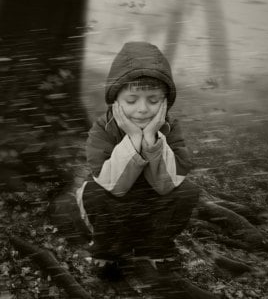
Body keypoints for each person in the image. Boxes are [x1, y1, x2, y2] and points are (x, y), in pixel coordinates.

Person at [75, 41, 200, 277]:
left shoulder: (171, 128)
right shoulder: (103, 128)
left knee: (188, 191)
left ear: (165, 102)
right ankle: (108, 252)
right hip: (115, 203)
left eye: (153, 100)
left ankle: (154, 246)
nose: (142, 109)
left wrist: (152, 138)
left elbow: (167, 184)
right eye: (132, 101)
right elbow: (114, 185)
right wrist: (133, 138)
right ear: (116, 101)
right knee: (94, 191)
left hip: (152, 202)